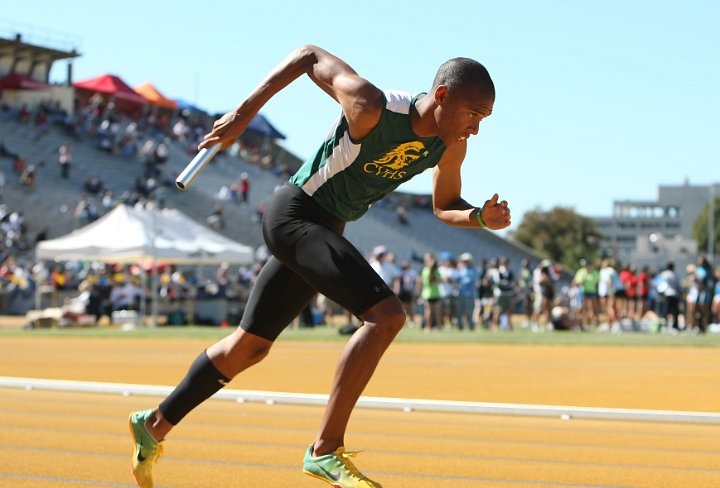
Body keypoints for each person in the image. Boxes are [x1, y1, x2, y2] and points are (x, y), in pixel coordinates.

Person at [128, 45, 509, 488]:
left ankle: (153, 424)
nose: (476, 129)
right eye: (473, 114)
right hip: (295, 215)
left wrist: (480, 217)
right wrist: (242, 115)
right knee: (385, 316)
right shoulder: (371, 106)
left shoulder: (449, 146)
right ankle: (325, 450)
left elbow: (445, 206)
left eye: (484, 119)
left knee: (249, 347)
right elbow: (308, 56)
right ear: (441, 96)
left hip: (326, 229)